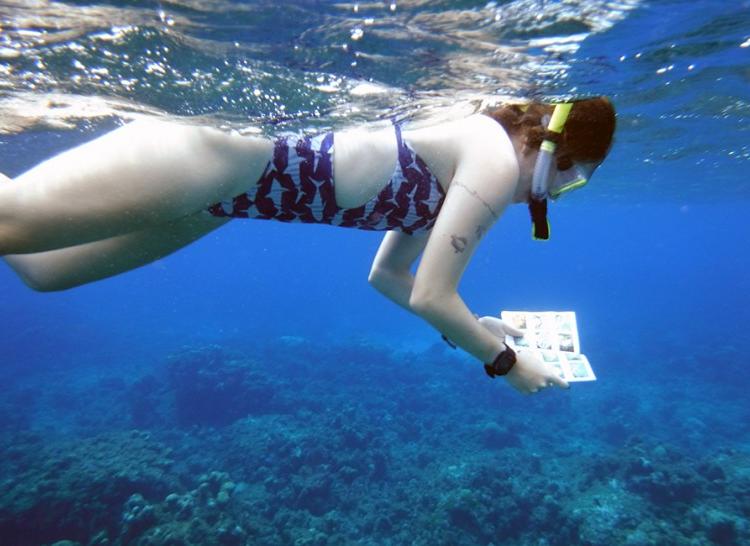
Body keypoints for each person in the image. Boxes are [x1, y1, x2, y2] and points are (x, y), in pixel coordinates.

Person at [0, 97, 615, 395]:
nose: (562, 193)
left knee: (42, 270)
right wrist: (504, 364)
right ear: (551, 145)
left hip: (222, 201)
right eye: (572, 174)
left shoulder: (470, 168)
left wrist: (471, 327)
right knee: (12, 224)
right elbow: (433, 292)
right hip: (207, 160)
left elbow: (392, 278)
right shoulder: (494, 158)